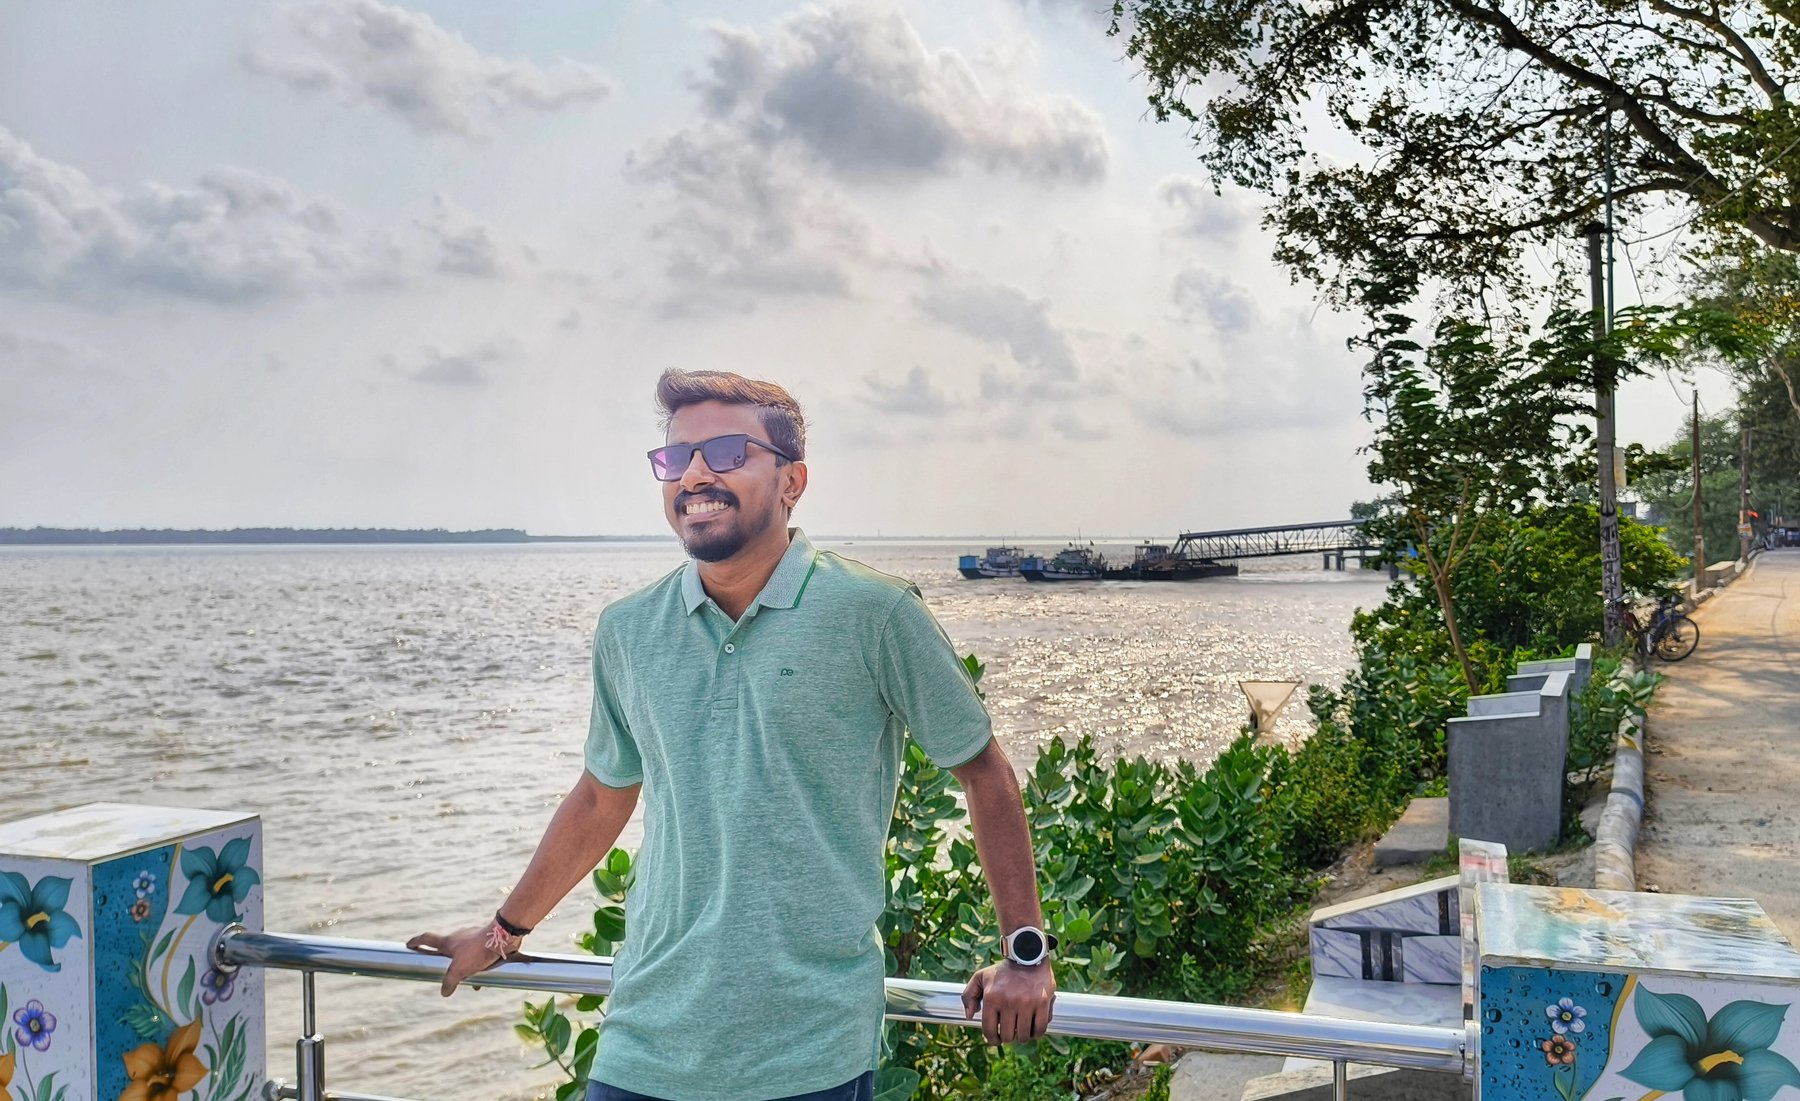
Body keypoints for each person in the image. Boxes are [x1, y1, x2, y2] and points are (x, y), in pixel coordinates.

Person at [409, 370, 1056, 1101]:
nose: (693, 476)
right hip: (643, 1042)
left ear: (792, 482)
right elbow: (599, 797)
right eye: (676, 457)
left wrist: (1024, 951)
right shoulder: (628, 629)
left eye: (724, 452)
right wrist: (502, 932)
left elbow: (983, 772)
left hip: (808, 1051)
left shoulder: (876, 614)